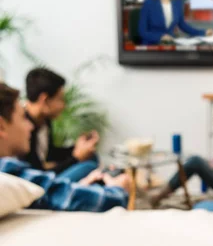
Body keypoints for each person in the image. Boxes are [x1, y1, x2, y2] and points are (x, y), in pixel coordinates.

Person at [0, 83, 131, 212]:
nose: (30, 126)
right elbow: (39, 183)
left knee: (91, 161)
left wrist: (77, 149)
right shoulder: (6, 168)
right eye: (23, 118)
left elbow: (49, 158)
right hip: (51, 177)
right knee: (89, 166)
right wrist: (118, 189)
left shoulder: (45, 124)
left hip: (49, 181)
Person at [25, 67, 99, 182]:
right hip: (38, 184)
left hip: (44, 176)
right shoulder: (25, 128)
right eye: (60, 99)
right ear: (44, 100)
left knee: (91, 156)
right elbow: (38, 176)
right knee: (89, 166)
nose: (64, 106)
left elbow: (49, 153)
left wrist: (78, 147)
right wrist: (76, 158)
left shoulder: (44, 121)